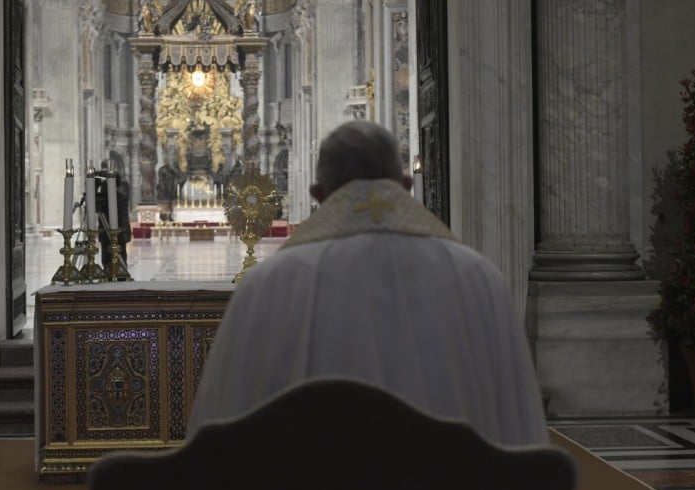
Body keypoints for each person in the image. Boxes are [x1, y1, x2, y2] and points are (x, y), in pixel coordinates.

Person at [188, 120, 549, 447]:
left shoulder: (269, 284)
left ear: (318, 195)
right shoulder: (479, 278)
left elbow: (221, 434)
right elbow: (519, 428)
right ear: (407, 186)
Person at [98, 161, 132, 274]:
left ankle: (121, 276)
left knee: (120, 257)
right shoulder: (104, 184)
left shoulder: (123, 184)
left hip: (120, 228)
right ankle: (107, 274)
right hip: (105, 226)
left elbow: (119, 195)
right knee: (106, 258)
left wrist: (110, 182)